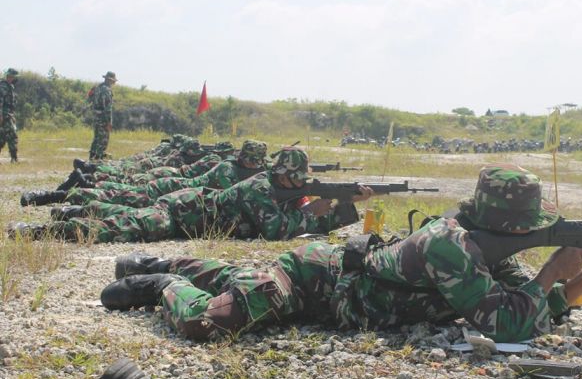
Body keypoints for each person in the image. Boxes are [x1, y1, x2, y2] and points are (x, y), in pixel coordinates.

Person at [99, 163, 582, 342]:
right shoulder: (451, 245)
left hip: (330, 294)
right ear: (506, 224)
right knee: (210, 323)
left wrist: (579, 283)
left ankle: (162, 261)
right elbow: (504, 324)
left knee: (239, 275)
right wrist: (555, 269)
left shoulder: (491, 246)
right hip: (313, 279)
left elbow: (522, 308)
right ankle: (163, 283)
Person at [9, 147, 372, 243]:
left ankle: (68, 212)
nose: (300, 184)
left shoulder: (285, 194)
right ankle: (36, 232)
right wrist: (319, 211)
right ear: (285, 175)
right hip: (182, 212)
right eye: (298, 179)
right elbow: (276, 231)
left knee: (118, 214)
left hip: (190, 215)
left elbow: (295, 221)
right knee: (118, 227)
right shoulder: (261, 187)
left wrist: (342, 206)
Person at [19, 139, 267, 209]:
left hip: (173, 186)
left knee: (115, 191)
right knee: (115, 195)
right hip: (165, 188)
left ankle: (77, 185)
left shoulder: (232, 166)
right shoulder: (226, 168)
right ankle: (52, 196)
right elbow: (227, 195)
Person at [89, 71, 116, 160]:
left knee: (96, 139)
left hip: (96, 117)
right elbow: (108, 108)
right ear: (110, 80)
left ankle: (91, 158)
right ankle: (98, 160)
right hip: (103, 119)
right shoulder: (107, 90)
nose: (114, 83)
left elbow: (90, 100)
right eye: (113, 81)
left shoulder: (97, 88)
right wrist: (109, 122)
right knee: (103, 141)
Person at [0, 68, 20, 163]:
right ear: (11, 76)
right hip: (4, 115)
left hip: (8, 115)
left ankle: (14, 158)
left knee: (2, 137)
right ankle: (14, 158)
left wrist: (12, 116)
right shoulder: (3, 86)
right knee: (12, 136)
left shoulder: (10, 87)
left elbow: (11, 105)